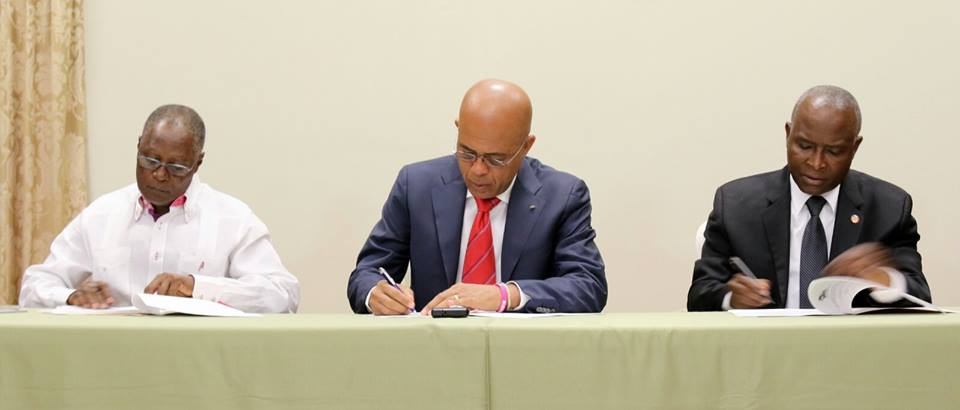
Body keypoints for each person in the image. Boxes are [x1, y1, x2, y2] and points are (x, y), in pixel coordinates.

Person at [347, 79, 607, 315]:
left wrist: (505, 295)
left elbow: (588, 286)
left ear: (526, 146)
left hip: (524, 353)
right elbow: (367, 272)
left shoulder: (562, 196)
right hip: (433, 350)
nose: (478, 169)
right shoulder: (416, 185)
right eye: (467, 153)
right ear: (459, 130)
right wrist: (376, 293)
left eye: (496, 159)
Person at [20, 104, 299, 313]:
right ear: (138, 146)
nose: (160, 175)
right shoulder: (101, 215)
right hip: (111, 361)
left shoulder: (233, 219)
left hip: (200, 364)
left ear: (198, 163)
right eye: (150, 160)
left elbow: (283, 295)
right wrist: (70, 296)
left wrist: (198, 288)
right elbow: (34, 286)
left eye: (176, 167)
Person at [688, 85, 931, 311]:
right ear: (787, 134)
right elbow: (700, 293)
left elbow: (920, 297)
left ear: (855, 147)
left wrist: (882, 280)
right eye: (804, 146)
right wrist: (731, 297)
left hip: (850, 352)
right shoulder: (736, 205)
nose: (816, 163)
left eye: (834, 151)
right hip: (766, 350)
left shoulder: (888, 208)